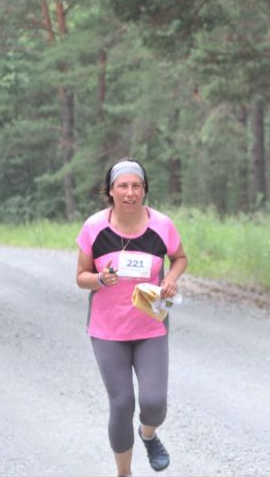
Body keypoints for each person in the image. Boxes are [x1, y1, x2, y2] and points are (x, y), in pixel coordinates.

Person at [76, 158, 188, 477]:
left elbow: (180, 258)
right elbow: (81, 275)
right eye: (122, 186)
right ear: (110, 191)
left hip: (150, 325)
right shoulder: (94, 227)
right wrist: (99, 279)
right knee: (122, 404)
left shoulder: (162, 225)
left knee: (153, 404)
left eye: (136, 186)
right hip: (107, 329)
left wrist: (171, 279)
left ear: (144, 190)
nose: (130, 192)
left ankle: (148, 434)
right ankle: (124, 473)